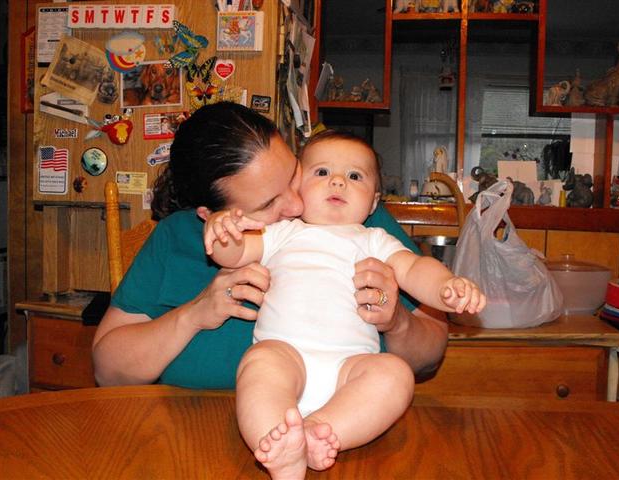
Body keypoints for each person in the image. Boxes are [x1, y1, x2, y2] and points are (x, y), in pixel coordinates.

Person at [92, 101, 448, 398]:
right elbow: (108, 371)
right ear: (208, 215)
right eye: (268, 203)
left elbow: (430, 354)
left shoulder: (352, 217)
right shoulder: (174, 238)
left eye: (293, 174)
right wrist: (195, 313)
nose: (296, 204)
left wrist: (397, 322)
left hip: (340, 431)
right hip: (194, 436)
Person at [207, 130, 486, 478]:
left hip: (350, 370)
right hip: (285, 356)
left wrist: (446, 285)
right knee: (259, 363)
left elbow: (415, 269)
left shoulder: (375, 240)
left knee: (395, 374)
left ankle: (317, 431)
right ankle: (278, 446)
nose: (338, 181)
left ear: (373, 203)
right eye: (322, 172)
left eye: (355, 176)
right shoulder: (282, 232)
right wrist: (222, 230)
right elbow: (232, 255)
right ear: (297, 188)